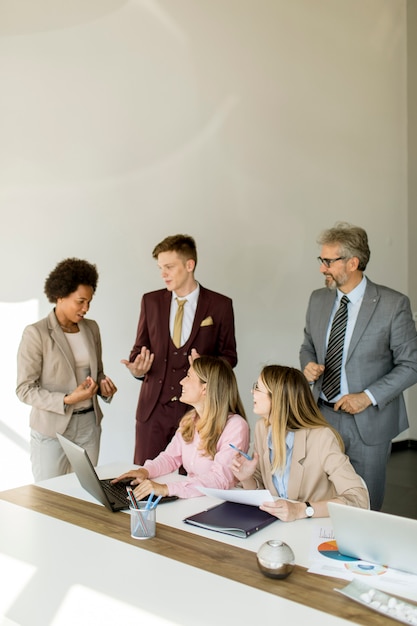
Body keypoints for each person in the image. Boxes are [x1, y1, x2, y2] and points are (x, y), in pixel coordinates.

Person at [300, 222, 417, 510]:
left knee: (364, 505)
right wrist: (308, 365)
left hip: (369, 422)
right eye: (321, 260)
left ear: (352, 262)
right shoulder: (317, 299)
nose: (322, 268)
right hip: (320, 417)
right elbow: (307, 346)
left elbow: (411, 364)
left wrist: (367, 397)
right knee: (319, 498)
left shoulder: (393, 304)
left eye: (328, 261)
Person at [121, 234, 237, 465]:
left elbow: (229, 357)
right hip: (152, 411)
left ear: (189, 265)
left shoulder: (220, 305)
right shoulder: (150, 302)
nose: (163, 274)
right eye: (160, 268)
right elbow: (138, 349)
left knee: (192, 482)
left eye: (169, 267)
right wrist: (137, 368)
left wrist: (207, 367)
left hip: (198, 413)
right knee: (144, 476)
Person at [16, 258, 117, 481]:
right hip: (52, 428)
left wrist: (104, 388)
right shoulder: (36, 333)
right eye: (80, 301)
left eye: (89, 302)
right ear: (60, 296)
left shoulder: (91, 328)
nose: (86, 308)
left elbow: (97, 373)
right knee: (49, 497)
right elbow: (24, 389)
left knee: (87, 495)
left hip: (89, 426)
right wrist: (67, 399)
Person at [231, 365, 369, 521]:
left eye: (257, 388)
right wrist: (246, 477)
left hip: (315, 530)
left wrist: (302, 509)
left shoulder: (321, 437)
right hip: (277, 528)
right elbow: (264, 492)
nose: (252, 392)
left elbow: (359, 498)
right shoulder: (262, 428)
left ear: (277, 397)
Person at [113, 356, 249, 499]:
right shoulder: (190, 420)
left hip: (220, 504)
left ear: (205, 388)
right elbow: (170, 458)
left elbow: (219, 479)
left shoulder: (236, 426)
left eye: (188, 376)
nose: (181, 381)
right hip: (194, 500)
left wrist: (167, 489)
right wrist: (145, 471)